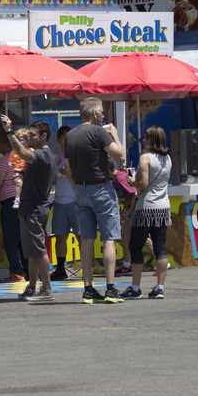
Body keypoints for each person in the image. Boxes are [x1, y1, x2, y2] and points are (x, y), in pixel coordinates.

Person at [65, 97, 126, 303]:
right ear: (93, 113)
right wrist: (115, 135)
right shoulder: (99, 132)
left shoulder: (71, 135)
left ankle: (88, 287)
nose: (102, 115)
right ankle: (110, 288)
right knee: (109, 237)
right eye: (100, 112)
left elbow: (68, 169)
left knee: (87, 239)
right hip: (101, 187)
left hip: (80, 189)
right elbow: (120, 155)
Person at [0, 115, 54, 302]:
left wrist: (9, 131)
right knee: (33, 251)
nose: (30, 138)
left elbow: (22, 153)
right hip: (31, 207)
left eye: (33, 135)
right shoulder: (44, 156)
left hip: (35, 208)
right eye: (29, 134)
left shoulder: (43, 155)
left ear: (44, 136)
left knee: (39, 250)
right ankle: (32, 286)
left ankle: (46, 287)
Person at [122, 126, 172, 299]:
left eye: (146, 138)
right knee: (160, 248)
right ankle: (160, 287)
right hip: (163, 206)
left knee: (135, 246)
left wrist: (131, 181)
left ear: (152, 140)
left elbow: (143, 183)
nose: (143, 140)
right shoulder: (168, 159)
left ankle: (135, 287)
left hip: (146, 207)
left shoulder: (145, 158)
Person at [0, 131, 26, 282]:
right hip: (23, 200)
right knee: (22, 237)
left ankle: (16, 272)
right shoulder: (21, 157)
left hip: (9, 202)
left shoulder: (3, 161)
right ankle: (26, 269)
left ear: (5, 144)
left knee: (11, 239)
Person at [49, 125, 77, 282]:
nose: (66, 141)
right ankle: (60, 268)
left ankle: (88, 266)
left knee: (81, 236)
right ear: (58, 140)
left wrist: (70, 173)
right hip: (59, 201)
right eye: (63, 138)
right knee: (60, 237)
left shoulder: (77, 156)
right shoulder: (57, 157)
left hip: (75, 201)